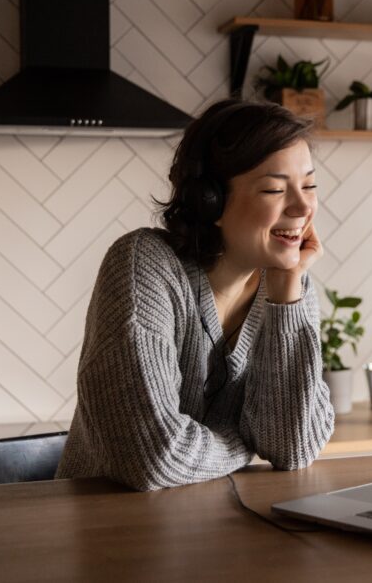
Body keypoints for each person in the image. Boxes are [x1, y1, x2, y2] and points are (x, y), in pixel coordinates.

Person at [56, 99, 335, 491]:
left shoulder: (291, 288)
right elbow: (153, 458)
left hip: (215, 531)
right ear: (211, 201)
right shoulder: (144, 265)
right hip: (109, 532)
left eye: (309, 185)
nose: (303, 206)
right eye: (274, 189)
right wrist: (243, 442)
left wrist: (287, 296)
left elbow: (293, 449)